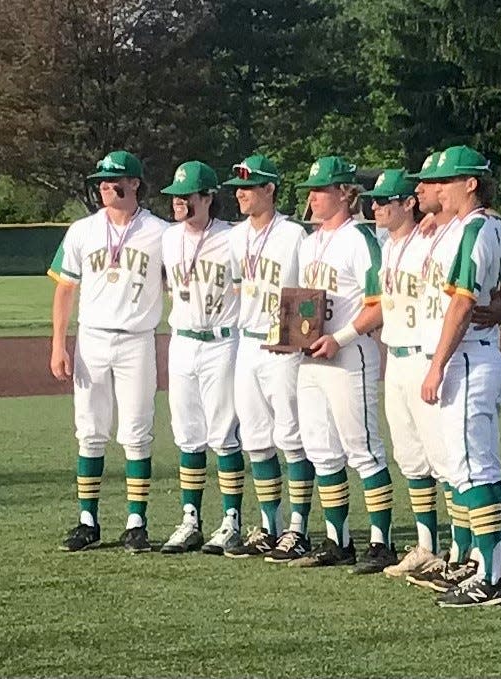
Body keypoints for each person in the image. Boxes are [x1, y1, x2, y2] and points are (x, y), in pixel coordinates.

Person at [404, 150, 501, 597]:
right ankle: (490, 568)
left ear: (470, 184)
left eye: (442, 181)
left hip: (466, 360)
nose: (431, 189)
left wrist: (436, 367)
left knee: (474, 472)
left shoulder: (474, 228)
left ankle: (491, 578)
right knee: (477, 469)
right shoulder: (478, 226)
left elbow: (463, 302)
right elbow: (500, 293)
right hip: (475, 356)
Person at [49, 150, 168, 554]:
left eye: (112, 179)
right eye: (100, 179)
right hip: (93, 338)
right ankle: (88, 520)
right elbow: (65, 289)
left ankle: (137, 521)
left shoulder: (159, 232)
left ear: (134, 183)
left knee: (136, 431)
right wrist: (58, 345)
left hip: (137, 338)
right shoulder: (82, 230)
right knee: (90, 431)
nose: (104, 185)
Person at [290, 155, 397, 575]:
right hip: (311, 359)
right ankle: (338, 540)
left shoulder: (360, 239)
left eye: (320, 190)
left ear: (344, 193)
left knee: (364, 450)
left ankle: (381, 542)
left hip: (350, 355)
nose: (313, 197)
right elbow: (300, 303)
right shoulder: (309, 242)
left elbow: (380, 303)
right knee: (321, 451)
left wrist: (342, 338)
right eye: (311, 190)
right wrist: (290, 337)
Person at [222, 154, 316, 561]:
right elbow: (236, 287)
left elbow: (310, 291)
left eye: (248, 187)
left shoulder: (294, 234)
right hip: (247, 343)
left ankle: (298, 528)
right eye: (238, 188)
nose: (240, 194)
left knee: (291, 438)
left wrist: (295, 338)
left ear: (269, 190)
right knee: (257, 439)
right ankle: (269, 525)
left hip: (283, 344)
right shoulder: (235, 236)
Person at [359, 168, 450, 578]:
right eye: (374, 201)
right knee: (410, 457)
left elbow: (483, 220)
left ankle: (460, 550)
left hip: (422, 356)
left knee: (442, 457)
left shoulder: (428, 239)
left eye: (384, 201)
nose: (375, 207)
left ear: (408, 204)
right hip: (394, 358)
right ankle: (427, 546)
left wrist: (437, 218)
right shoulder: (388, 245)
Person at [159, 161, 245, 556]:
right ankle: (191, 518)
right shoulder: (167, 237)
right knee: (187, 433)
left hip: (221, 342)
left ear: (208, 197)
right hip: (182, 341)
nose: (178, 201)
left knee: (223, 434)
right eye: (175, 195)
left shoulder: (232, 238)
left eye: (187, 196)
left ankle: (231, 520)